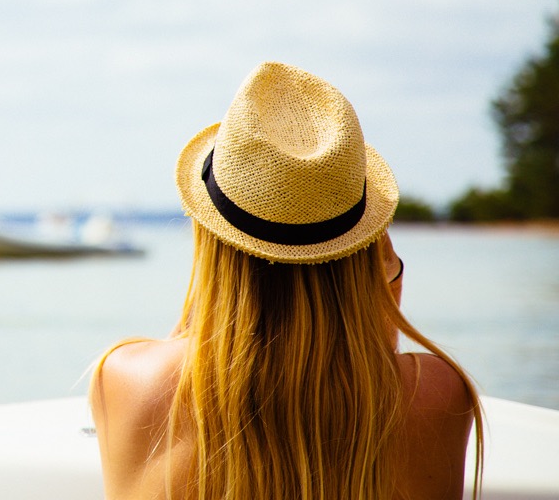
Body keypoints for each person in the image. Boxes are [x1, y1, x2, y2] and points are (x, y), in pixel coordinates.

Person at [89, 62, 483, 500]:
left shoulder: (125, 377)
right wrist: (388, 283)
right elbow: (374, 366)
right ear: (366, 247)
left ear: (210, 241)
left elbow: (191, 349)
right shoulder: (436, 393)